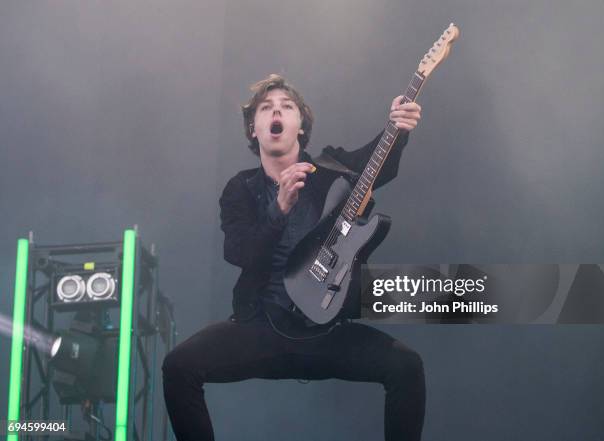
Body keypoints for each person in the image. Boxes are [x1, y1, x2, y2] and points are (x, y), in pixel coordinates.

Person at [162, 74, 425, 441]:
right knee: (178, 366)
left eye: (287, 107)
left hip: (325, 329)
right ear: (254, 129)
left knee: (407, 365)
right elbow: (238, 252)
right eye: (266, 108)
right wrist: (278, 210)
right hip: (261, 328)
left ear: (300, 125)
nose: (276, 112)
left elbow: (377, 162)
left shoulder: (332, 171)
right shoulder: (241, 189)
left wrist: (399, 128)